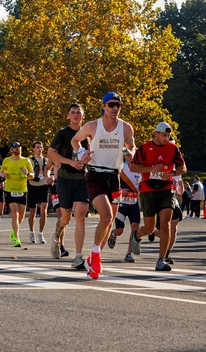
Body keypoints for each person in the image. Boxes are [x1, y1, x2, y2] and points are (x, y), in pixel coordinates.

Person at [70, 92, 136, 279]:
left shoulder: (125, 128)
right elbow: (74, 140)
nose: (115, 108)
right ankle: (96, 254)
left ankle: (93, 255)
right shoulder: (92, 125)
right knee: (106, 216)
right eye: (112, 105)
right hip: (95, 175)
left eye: (118, 105)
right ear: (104, 106)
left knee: (109, 221)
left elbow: (131, 145)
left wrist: (129, 152)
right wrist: (82, 151)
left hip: (114, 177)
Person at [128, 121, 186, 271]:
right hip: (148, 189)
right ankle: (137, 235)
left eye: (168, 135)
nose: (166, 138)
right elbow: (133, 166)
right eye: (164, 135)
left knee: (166, 224)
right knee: (149, 227)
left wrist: (172, 174)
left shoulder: (173, 148)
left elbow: (183, 168)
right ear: (156, 134)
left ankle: (161, 259)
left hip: (167, 189)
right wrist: (151, 168)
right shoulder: (145, 148)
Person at [48, 103, 90, 266]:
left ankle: (78, 256)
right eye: (72, 112)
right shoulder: (62, 134)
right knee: (65, 219)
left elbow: (93, 154)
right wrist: (70, 162)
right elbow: (51, 154)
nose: (75, 115)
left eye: (78, 112)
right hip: (65, 180)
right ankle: (56, 238)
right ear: (68, 116)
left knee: (80, 216)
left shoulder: (88, 135)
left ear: (83, 116)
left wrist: (88, 159)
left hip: (82, 180)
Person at [109, 149, 140, 262]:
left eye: (131, 156)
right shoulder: (121, 168)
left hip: (133, 203)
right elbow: (112, 185)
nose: (129, 158)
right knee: (120, 230)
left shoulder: (139, 170)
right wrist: (121, 192)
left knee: (135, 227)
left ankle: (129, 253)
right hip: (122, 204)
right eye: (127, 156)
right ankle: (114, 233)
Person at [0, 142, 31, 248]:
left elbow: (32, 175)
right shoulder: (6, 160)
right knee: (15, 212)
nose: (16, 149)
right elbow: (1, 172)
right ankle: (17, 238)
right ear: (11, 150)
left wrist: (27, 173)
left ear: (21, 149)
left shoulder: (26, 161)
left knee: (21, 215)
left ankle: (14, 231)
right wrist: (3, 174)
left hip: (22, 189)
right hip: (10, 189)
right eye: (14, 148)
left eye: (18, 147)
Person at [27, 141, 50, 243]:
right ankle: (32, 232)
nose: (39, 149)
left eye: (41, 147)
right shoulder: (30, 160)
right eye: (37, 147)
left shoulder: (46, 160)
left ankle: (41, 233)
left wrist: (50, 178)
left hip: (43, 186)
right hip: (33, 186)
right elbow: (26, 173)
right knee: (33, 211)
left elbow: (49, 171)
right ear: (33, 149)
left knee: (44, 211)